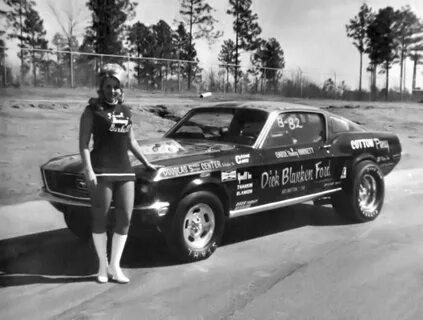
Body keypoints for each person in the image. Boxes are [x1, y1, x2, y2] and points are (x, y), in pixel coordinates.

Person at [79, 64, 158, 284]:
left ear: (121, 88)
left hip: (124, 170)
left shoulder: (126, 111)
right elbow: (84, 144)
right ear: (101, 87)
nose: (112, 90)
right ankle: (102, 266)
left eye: (116, 86)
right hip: (101, 172)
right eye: (108, 86)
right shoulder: (91, 111)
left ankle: (115, 265)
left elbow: (131, 141)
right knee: (100, 219)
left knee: (125, 218)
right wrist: (89, 171)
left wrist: (145, 162)